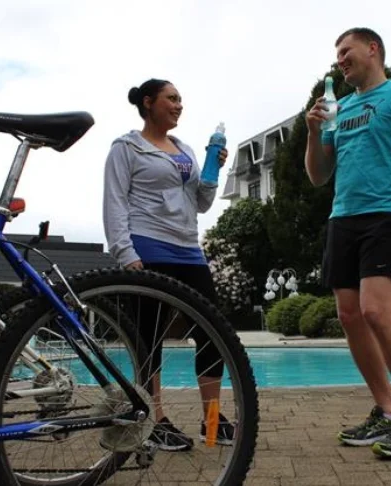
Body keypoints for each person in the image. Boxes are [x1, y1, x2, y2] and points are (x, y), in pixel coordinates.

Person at [304, 28, 391, 460]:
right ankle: (385, 410)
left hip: (387, 213)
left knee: (376, 311)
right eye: (337, 54)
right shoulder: (340, 108)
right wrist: (313, 132)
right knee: (349, 316)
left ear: (372, 49)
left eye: (346, 51)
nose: (340, 60)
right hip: (342, 217)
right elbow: (318, 176)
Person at [102, 78, 234, 452]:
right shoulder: (126, 147)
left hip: (188, 250)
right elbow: (114, 202)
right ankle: (154, 420)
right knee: (149, 338)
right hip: (147, 248)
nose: (179, 105)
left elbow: (200, 203)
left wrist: (212, 171)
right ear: (149, 103)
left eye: (180, 99)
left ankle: (213, 422)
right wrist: (125, 253)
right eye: (171, 98)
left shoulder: (185, 149)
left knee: (213, 333)